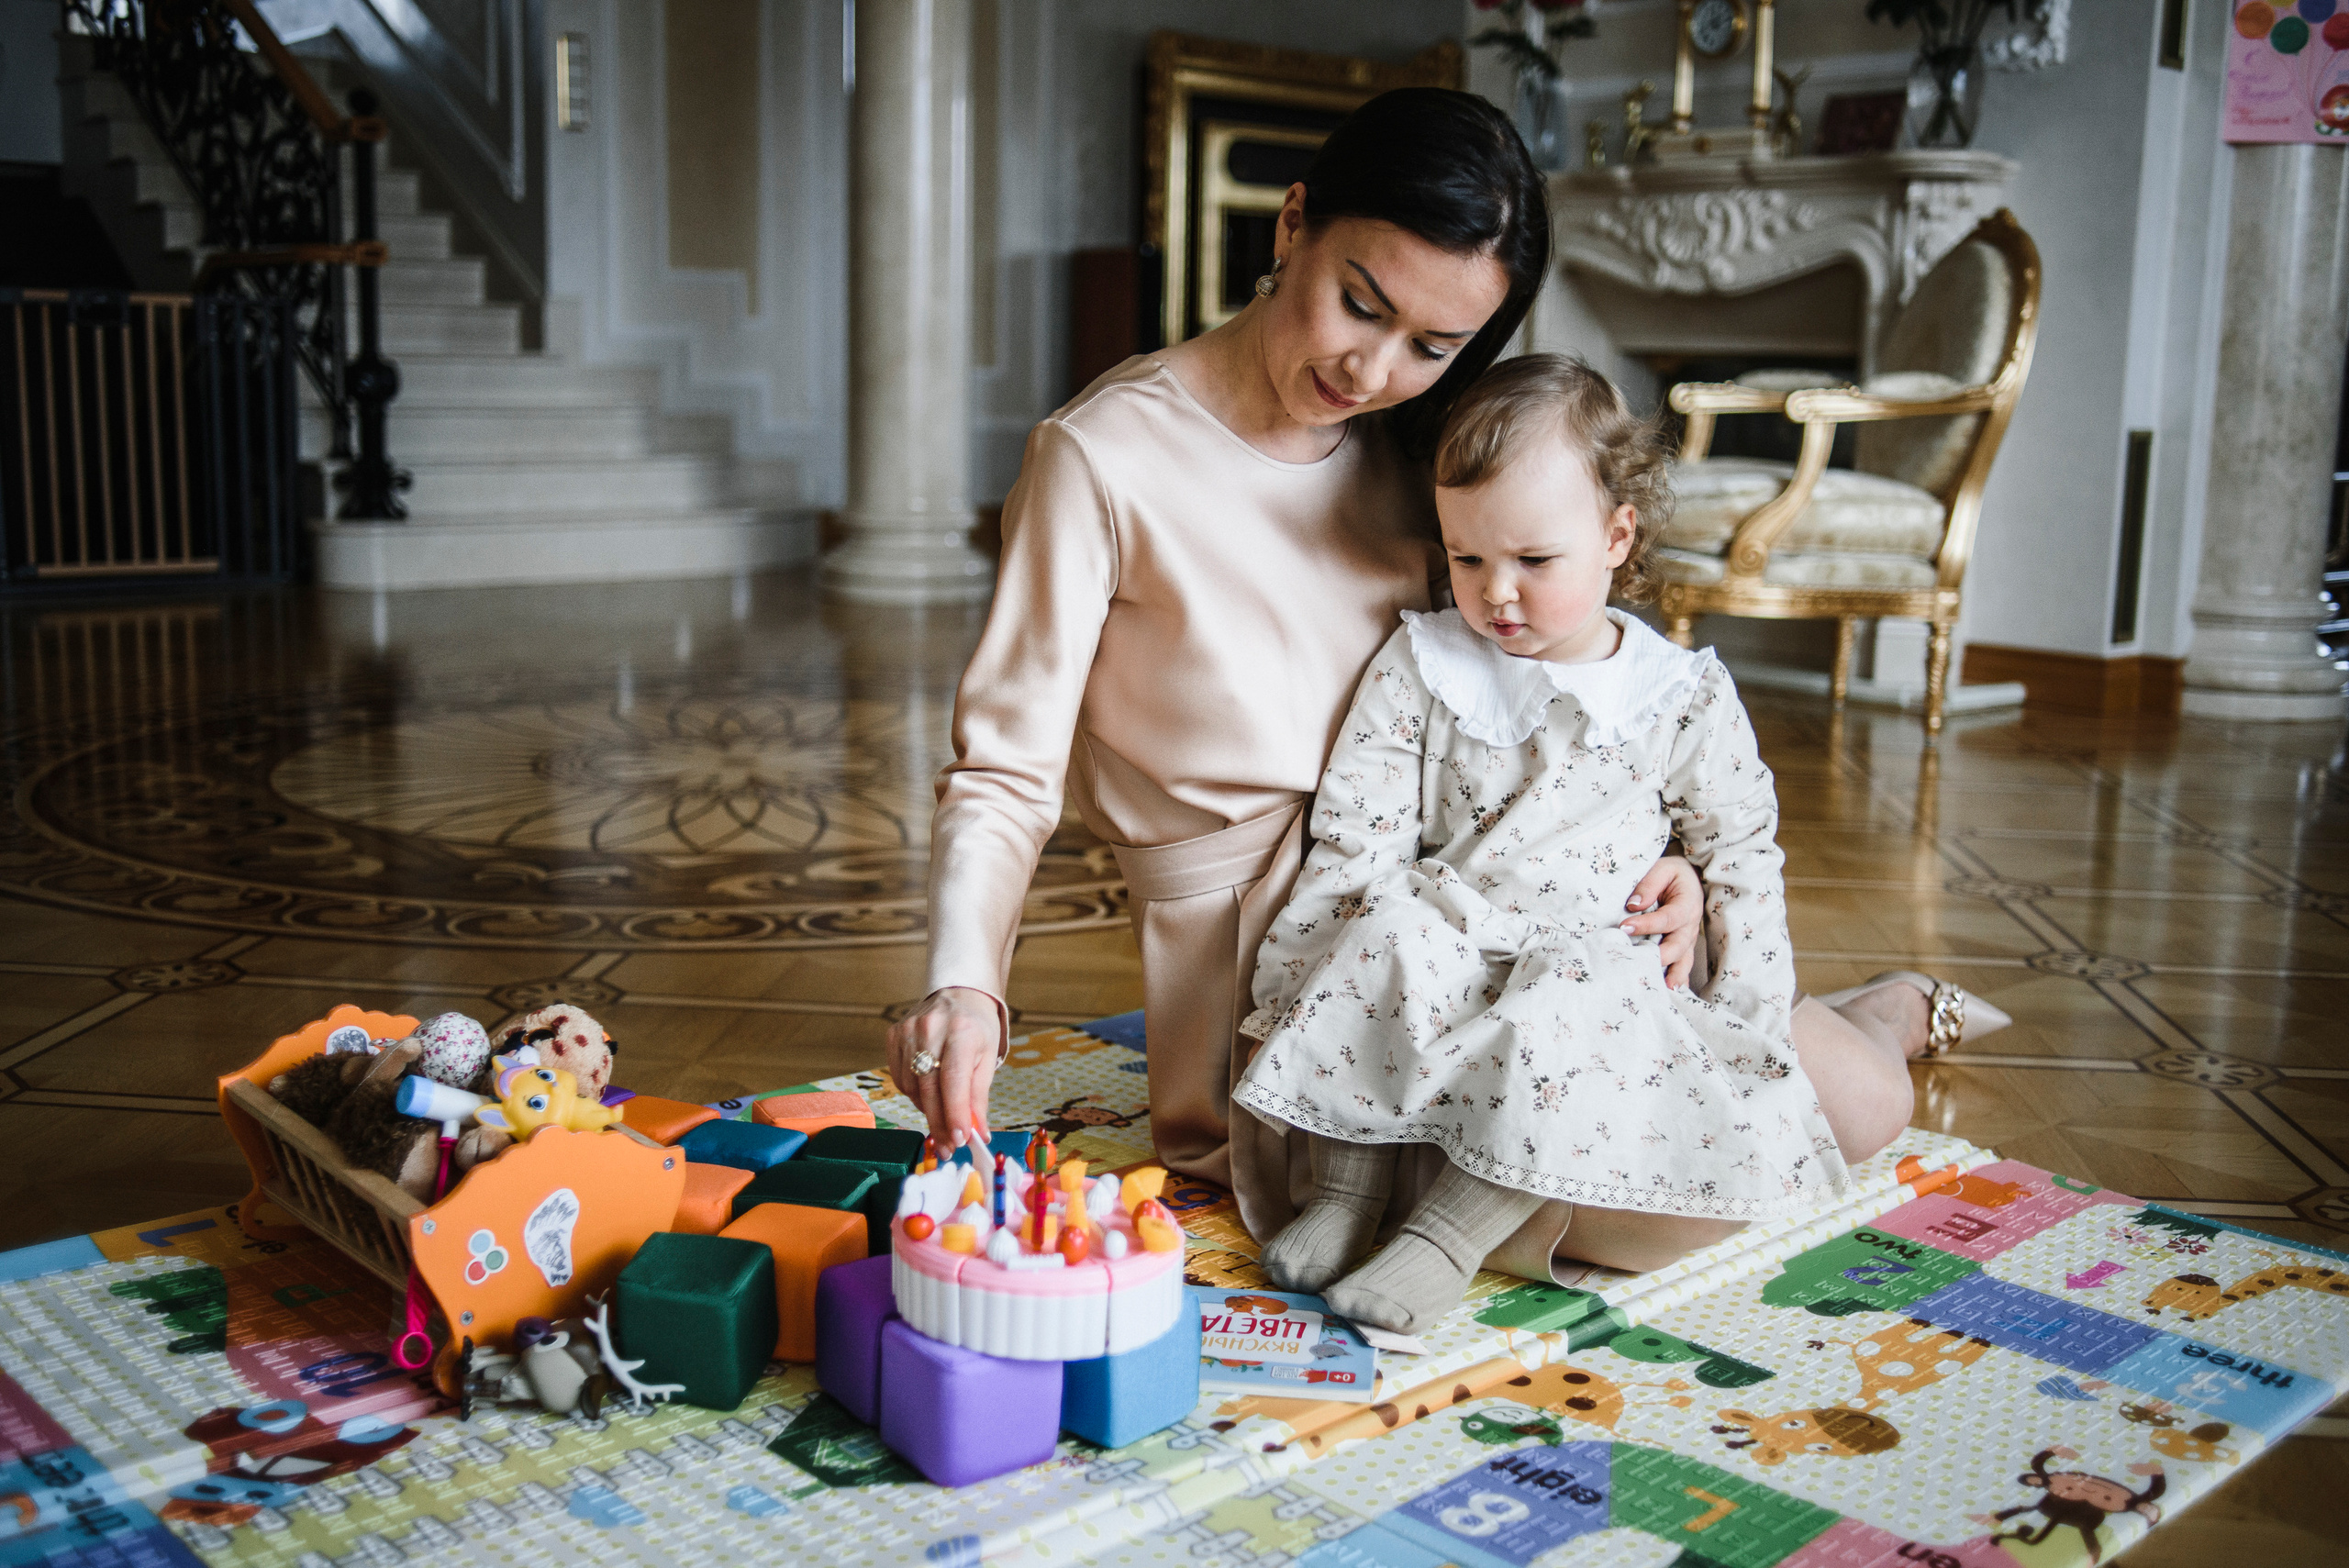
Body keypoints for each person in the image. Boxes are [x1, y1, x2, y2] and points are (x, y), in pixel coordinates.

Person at [887, 87, 2007, 1283]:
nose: (1371, 369)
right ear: (1291, 223)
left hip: (1504, 909)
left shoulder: (1425, 458)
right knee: (1615, 1204)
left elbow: (1539, 700)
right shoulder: (1102, 457)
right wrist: (963, 980)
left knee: (1834, 1111)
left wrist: (1674, 860)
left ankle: (1876, 1017)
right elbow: (1004, 769)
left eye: (1433, 347)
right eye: (1360, 303)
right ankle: (1835, 1026)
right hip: (1275, 968)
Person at [1237, 355, 1866, 1333]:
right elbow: (1357, 827)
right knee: (1385, 927)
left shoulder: (1677, 694)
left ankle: (1446, 1237)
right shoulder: (1422, 660)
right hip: (1457, 920)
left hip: (1590, 947)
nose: (1497, 594)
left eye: (1534, 561)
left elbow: (1739, 848)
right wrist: (1314, 956)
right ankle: (1343, 1196)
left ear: (1616, 536)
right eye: (1467, 557)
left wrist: (1746, 1006)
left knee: (1580, 1003)